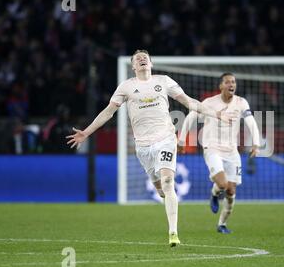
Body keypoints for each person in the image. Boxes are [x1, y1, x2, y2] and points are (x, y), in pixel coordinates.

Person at [66, 50, 235, 247]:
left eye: (145, 57)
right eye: (137, 59)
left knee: (168, 181)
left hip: (165, 139)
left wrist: (217, 114)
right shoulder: (126, 86)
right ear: (133, 67)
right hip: (143, 146)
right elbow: (108, 112)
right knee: (160, 189)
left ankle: (173, 233)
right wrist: (86, 132)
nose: (142, 59)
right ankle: (163, 194)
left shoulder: (164, 81)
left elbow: (190, 102)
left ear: (151, 63)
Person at [178, 73, 261, 234]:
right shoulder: (209, 103)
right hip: (212, 148)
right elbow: (190, 117)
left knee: (231, 191)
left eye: (234, 82)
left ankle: (221, 224)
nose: (232, 84)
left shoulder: (241, 102)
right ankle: (214, 194)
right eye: (228, 82)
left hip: (232, 151)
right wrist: (181, 141)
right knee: (222, 184)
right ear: (221, 86)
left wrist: (256, 143)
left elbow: (251, 122)